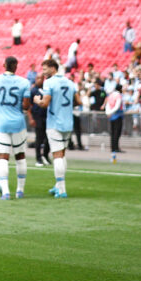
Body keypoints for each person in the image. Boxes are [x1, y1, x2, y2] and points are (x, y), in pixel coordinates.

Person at [0, 56, 31, 200]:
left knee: (2, 157)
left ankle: (6, 192)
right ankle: (20, 191)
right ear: (16, 66)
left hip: (1, 123)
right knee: (20, 156)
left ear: (4, 65)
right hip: (18, 123)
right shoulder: (24, 82)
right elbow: (26, 106)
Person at [33, 59, 81, 199]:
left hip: (55, 123)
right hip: (68, 122)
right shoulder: (70, 82)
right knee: (62, 154)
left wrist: (37, 101)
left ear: (53, 68)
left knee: (57, 155)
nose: (43, 72)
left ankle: (62, 189)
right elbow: (78, 101)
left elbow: (45, 103)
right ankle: (58, 186)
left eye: (45, 69)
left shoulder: (50, 82)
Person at [30, 73, 50, 167]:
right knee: (39, 138)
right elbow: (29, 106)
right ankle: (38, 158)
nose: (40, 80)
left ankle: (45, 155)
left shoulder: (47, 90)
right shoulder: (33, 91)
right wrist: (31, 118)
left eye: (41, 78)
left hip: (47, 116)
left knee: (48, 138)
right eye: (38, 78)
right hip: (37, 116)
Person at [105, 84, 124, 160]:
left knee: (112, 133)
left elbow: (108, 105)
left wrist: (108, 113)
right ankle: (115, 147)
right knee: (117, 132)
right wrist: (111, 112)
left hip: (111, 116)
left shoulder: (111, 95)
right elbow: (117, 106)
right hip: (117, 115)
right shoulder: (118, 95)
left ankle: (113, 147)